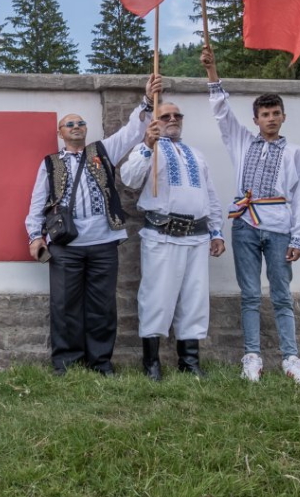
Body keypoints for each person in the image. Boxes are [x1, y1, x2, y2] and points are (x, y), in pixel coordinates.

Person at [25, 75, 160, 376]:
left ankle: (101, 362)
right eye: (70, 124)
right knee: (64, 306)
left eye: (80, 123)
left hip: (103, 242)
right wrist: (35, 236)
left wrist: (148, 101)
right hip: (65, 245)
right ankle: (66, 363)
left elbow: (131, 132)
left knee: (102, 306)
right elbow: (37, 203)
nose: (76, 127)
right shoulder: (49, 163)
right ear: (60, 133)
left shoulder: (102, 151)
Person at [201, 45, 300, 386]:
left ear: (282, 116)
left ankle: (291, 359)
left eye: (275, 113)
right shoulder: (242, 142)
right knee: (250, 294)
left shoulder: (294, 153)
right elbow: (222, 113)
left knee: (282, 294)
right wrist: (212, 72)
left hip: (279, 227)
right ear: (256, 120)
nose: (270, 118)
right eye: (264, 114)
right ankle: (252, 356)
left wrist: (299, 236)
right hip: (245, 226)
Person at [121, 102, 225, 381]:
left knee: (195, 298)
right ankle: (151, 363)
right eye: (165, 116)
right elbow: (129, 180)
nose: (172, 119)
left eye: (177, 115)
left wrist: (217, 231)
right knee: (157, 297)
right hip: (162, 234)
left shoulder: (196, 154)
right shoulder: (149, 148)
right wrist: (146, 144)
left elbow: (210, 195)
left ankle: (189, 361)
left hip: (198, 235)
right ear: (154, 121)